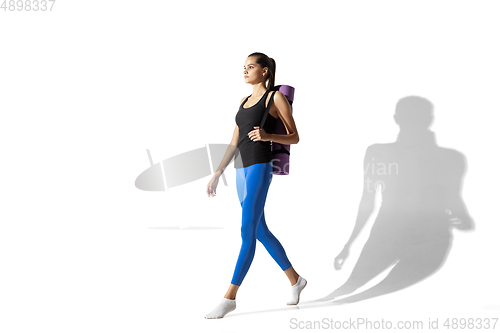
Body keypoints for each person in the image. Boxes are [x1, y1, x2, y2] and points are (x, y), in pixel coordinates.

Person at [204, 52, 306, 319]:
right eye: (244, 67)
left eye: (251, 67)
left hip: (261, 166)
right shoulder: (243, 101)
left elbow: (294, 136)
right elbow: (234, 142)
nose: (245, 71)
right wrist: (217, 172)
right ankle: (296, 280)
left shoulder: (275, 98)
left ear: (265, 71)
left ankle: (229, 298)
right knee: (259, 229)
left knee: (246, 229)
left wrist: (267, 134)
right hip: (240, 168)